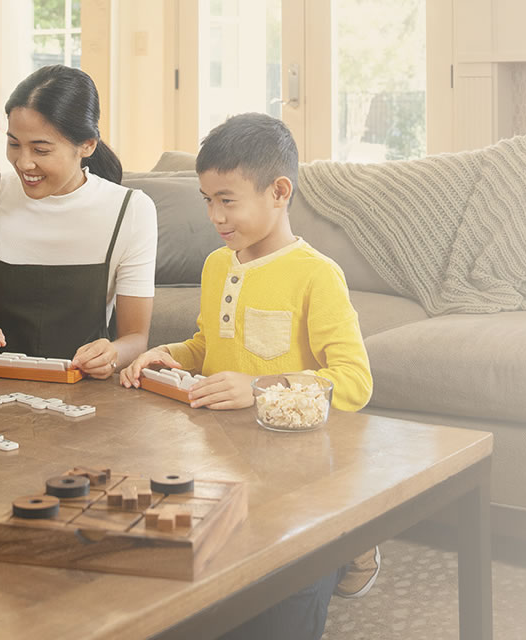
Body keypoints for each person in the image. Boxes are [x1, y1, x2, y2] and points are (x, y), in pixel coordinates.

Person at [120, 113, 377, 636]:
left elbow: (353, 380)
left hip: (299, 475)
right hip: (226, 462)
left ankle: (354, 540)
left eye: (227, 199)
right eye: (206, 199)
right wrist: (164, 352)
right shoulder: (218, 266)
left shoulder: (316, 274)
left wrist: (259, 388)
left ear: (279, 191)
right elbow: (206, 344)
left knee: (286, 601)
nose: (214, 214)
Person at [0, 65, 155, 378]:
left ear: (87, 145)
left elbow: (136, 338)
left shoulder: (132, 211)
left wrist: (112, 354)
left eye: (41, 149)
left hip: (86, 398)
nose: (23, 163)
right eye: (13, 144)